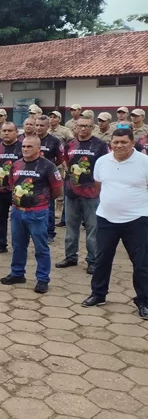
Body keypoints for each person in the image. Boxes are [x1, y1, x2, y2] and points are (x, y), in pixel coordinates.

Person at [81, 128, 148, 318]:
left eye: (124, 142)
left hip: (137, 219)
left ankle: (144, 301)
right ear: (110, 143)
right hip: (106, 219)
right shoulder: (102, 161)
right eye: (115, 142)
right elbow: (99, 186)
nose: (119, 146)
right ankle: (98, 294)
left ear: (133, 143)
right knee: (102, 259)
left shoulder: (144, 162)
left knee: (141, 263)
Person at [1, 136, 63, 293]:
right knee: (18, 245)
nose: (25, 149)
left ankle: (42, 279)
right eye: (23, 146)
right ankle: (17, 273)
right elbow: (12, 184)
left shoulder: (48, 166)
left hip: (37, 213)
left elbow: (57, 190)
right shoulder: (16, 165)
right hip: (17, 212)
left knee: (41, 247)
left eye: (29, 146)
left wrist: (41, 202)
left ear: (38, 149)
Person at [56, 114, 109, 274]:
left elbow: (105, 166)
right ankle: (70, 257)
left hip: (92, 194)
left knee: (93, 228)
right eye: (80, 125)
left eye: (87, 126)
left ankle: (92, 260)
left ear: (92, 128)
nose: (83, 128)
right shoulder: (69, 144)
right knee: (71, 227)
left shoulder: (100, 145)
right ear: (75, 127)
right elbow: (65, 163)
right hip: (72, 192)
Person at [0, 121, 22, 255]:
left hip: (17, 191)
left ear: (16, 132)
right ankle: (1, 244)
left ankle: (19, 246)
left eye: (10, 131)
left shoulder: (22, 147)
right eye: (4, 131)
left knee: (19, 220)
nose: (6, 133)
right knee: (0, 219)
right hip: (0, 190)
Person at [36, 115, 64, 242]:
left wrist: (51, 167)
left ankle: (49, 233)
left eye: (42, 125)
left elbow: (61, 157)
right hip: (32, 177)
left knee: (49, 205)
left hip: (48, 178)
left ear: (48, 126)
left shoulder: (54, 141)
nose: (38, 128)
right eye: (37, 125)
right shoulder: (30, 139)